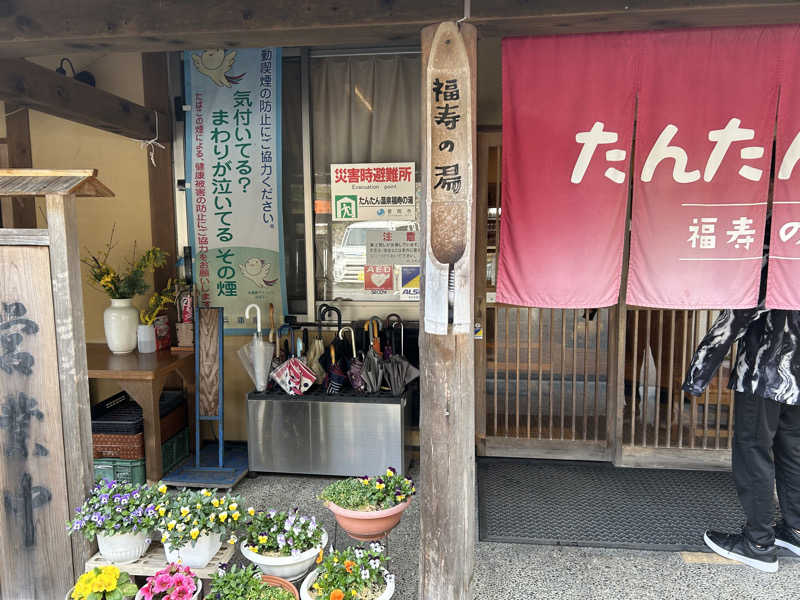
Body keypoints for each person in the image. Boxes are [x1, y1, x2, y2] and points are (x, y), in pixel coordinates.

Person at [683, 303, 800, 572]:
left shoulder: (775, 266)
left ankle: (758, 544)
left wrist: (698, 374)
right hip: (797, 380)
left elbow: (735, 318)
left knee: (753, 452)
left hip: (762, 374)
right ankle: (795, 529)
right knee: (793, 453)